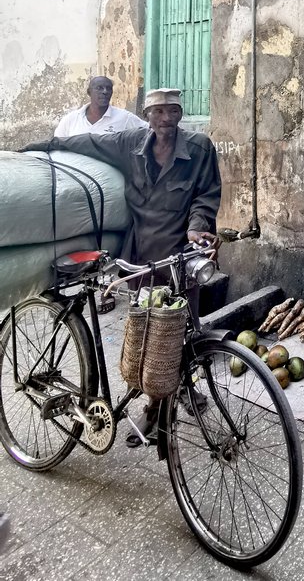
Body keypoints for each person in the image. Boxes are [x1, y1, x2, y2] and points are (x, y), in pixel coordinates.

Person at [24, 87, 221, 446]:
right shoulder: (130, 143)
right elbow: (88, 143)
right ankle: (151, 407)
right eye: (158, 112)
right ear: (147, 117)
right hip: (140, 259)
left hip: (179, 255)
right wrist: (45, 145)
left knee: (186, 329)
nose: (166, 119)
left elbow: (207, 195)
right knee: (147, 336)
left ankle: (184, 390)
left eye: (172, 111)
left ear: (180, 114)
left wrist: (197, 226)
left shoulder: (199, 148)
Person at [55, 76, 147, 137]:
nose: (105, 92)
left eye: (108, 88)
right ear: (89, 92)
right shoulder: (71, 120)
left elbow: (149, 131)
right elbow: (56, 147)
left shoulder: (124, 118)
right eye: (99, 88)